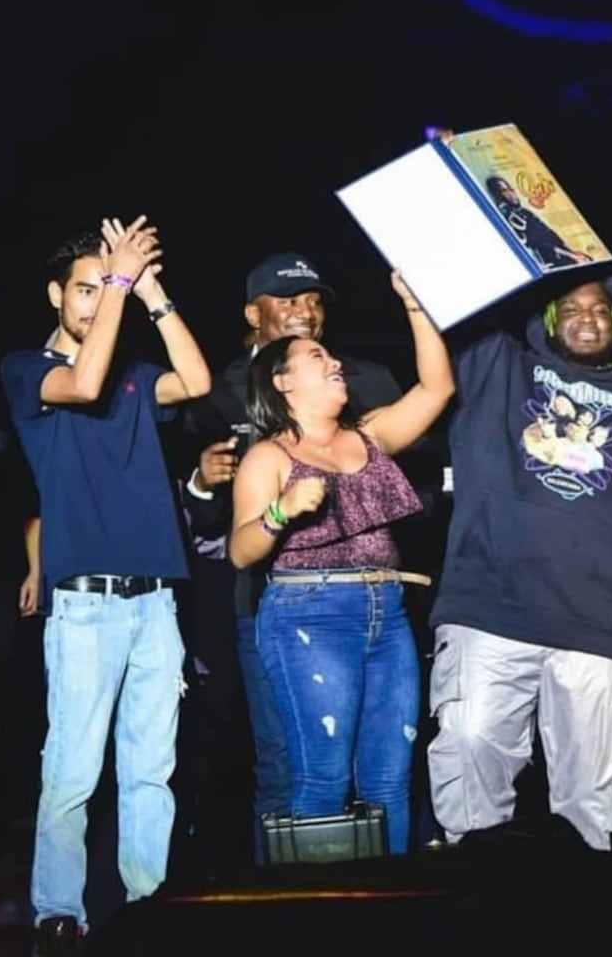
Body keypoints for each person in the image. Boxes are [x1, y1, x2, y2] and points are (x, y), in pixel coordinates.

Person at [426, 277, 612, 852]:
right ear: (549, 318)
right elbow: (458, 303)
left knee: (598, 798)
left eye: (602, 311)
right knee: (470, 751)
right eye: (572, 309)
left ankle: (599, 915)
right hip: (489, 609)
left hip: (599, 626)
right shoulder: (497, 365)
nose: (587, 319)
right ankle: (471, 904)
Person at [0, 216, 212, 955]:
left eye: (103, 286)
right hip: (85, 606)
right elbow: (82, 380)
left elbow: (199, 380)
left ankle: (148, 903)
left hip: (156, 599)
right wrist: (121, 277)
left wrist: (150, 291)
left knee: (152, 771)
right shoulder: (28, 370)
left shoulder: (134, 374)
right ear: (57, 293)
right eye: (84, 288)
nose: (95, 300)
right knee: (72, 772)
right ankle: (57, 910)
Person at [178, 252, 413, 865]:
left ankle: (385, 908)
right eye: (289, 302)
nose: (306, 313)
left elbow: (409, 449)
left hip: (370, 596)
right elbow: (206, 523)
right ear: (253, 313)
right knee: (288, 767)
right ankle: (284, 908)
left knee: (385, 769)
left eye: (315, 301)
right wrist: (202, 482)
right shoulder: (213, 390)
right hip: (267, 602)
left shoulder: (360, 380)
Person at [228, 270, 453, 856]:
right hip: (311, 617)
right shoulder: (268, 457)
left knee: (389, 782)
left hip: (389, 614)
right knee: (322, 779)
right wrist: (279, 513)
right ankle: (316, 919)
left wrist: (415, 306)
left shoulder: (370, 435)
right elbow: (240, 549)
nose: (334, 364)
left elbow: (437, 389)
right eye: (316, 357)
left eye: (330, 355)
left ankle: (390, 921)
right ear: (281, 382)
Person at [485, 175, 592, 269]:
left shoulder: (525, 212)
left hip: (562, 254)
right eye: (504, 191)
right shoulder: (510, 216)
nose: (511, 193)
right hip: (550, 262)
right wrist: (572, 256)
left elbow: (549, 233)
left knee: (588, 260)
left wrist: (573, 252)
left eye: (511, 189)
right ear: (497, 196)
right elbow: (539, 244)